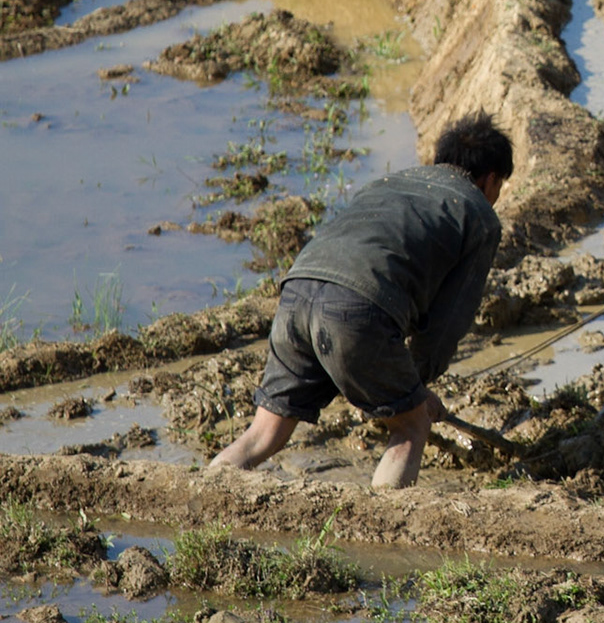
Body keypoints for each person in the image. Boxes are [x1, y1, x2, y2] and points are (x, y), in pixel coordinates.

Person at [211, 111, 513, 488]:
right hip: (357, 308)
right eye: (499, 188)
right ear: (491, 180)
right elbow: (447, 323)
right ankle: (381, 533)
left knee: (266, 429)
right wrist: (416, 388)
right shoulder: (478, 213)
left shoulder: (391, 182)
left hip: (296, 291)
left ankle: (204, 496)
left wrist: (407, 387)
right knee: (411, 426)